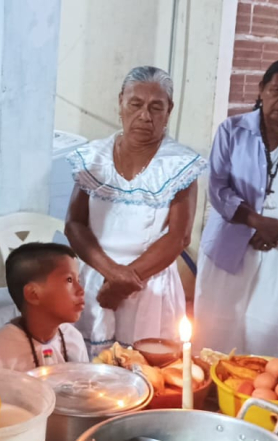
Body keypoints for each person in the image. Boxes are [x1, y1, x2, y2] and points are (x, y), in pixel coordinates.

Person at [193, 60, 278, 362]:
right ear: (262, 90)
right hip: (232, 243)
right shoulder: (232, 130)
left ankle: (267, 404)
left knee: (271, 334)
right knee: (219, 328)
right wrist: (257, 223)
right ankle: (211, 398)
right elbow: (218, 188)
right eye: (276, 90)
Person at [65, 66, 204, 356]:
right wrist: (113, 274)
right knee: (95, 379)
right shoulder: (94, 157)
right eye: (136, 104)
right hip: (97, 279)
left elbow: (179, 237)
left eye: (156, 107)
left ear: (169, 110)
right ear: (120, 103)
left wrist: (124, 282)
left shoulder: (179, 164)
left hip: (150, 286)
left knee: (146, 376)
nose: (145, 116)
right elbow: (75, 224)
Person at [0, 243, 89, 371]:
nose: (81, 290)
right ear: (33, 294)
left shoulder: (73, 338)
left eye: (79, 280)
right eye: (69, 280)